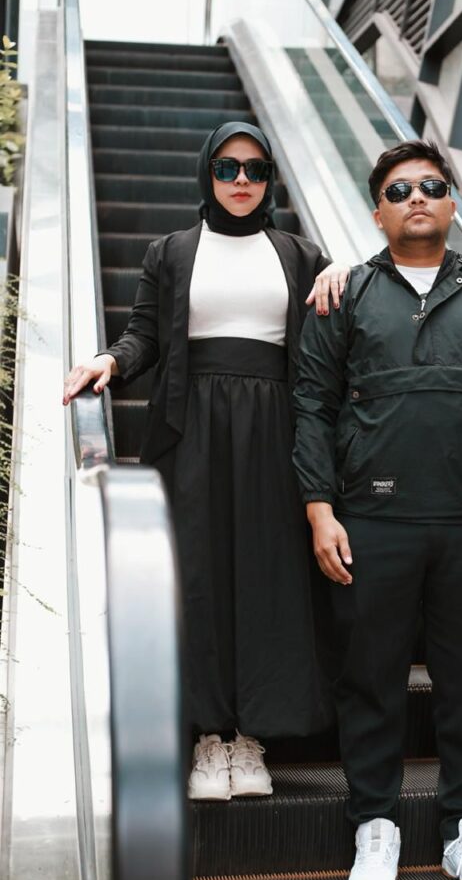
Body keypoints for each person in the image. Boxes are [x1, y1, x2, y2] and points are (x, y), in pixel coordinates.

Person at [293, 140, 462, 880]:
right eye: (399, 189)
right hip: (372, 521)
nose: (416, 198)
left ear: (451, 204)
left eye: (431, 186)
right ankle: (375, 829)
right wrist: (319, 509)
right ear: (377, 212)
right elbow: (312, 406)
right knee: (371, 683)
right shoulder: (344, 295)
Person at [63, 121, 349, 801]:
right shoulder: (171, 251)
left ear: (269, 179)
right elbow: (145, 334)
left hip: (275, 430)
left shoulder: (300, 253)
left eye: (255, 169)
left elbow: (340, 329)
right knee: (196, 576)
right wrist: (109, 361)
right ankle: (207, 738)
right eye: (227, 168)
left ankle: (251, 741)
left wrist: (349, 268)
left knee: (268, 575)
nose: (241, 181)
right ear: (207, 174)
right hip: (190, 429)